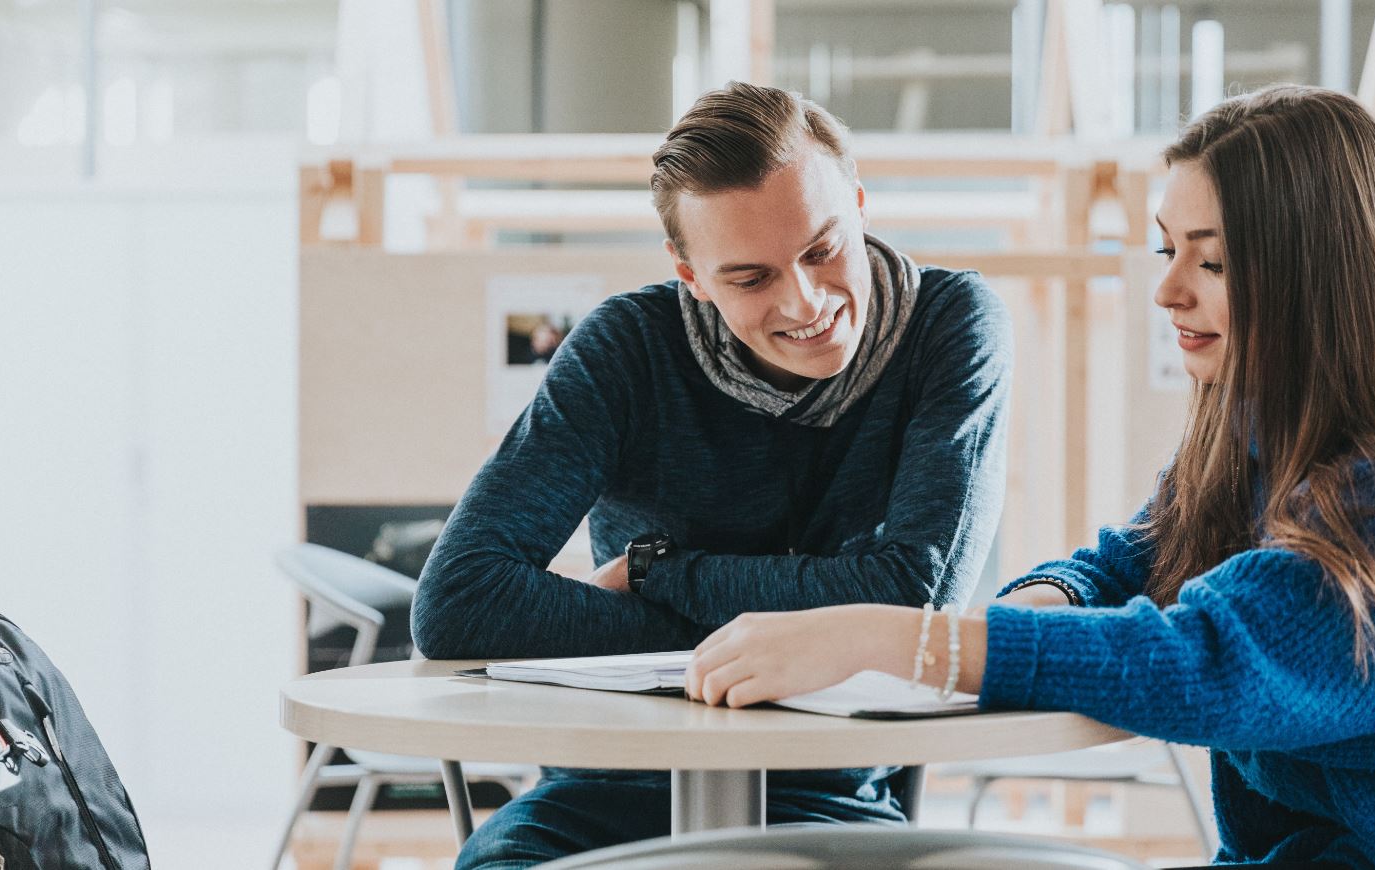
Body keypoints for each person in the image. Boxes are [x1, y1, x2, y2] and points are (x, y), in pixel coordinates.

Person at [686, 85, 1375, 868]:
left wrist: (896, 640)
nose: (1169, 290)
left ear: (1318, 276)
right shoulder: (1270, 417)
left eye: (1212, 262)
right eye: (1166, 248)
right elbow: (1142, 553)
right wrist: (1050, 597)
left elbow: (1206, 662)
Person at [412, 82, 1012, 867]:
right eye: (751, 278)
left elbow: (913, 599)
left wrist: (662, 574)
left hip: (824, 794)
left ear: (861, 206)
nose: (805, 300)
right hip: (607, 785)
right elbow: (460, 601)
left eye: (823, 249)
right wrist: (799, 633)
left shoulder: (950, 325)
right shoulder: (627, 349)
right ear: (690, 273)